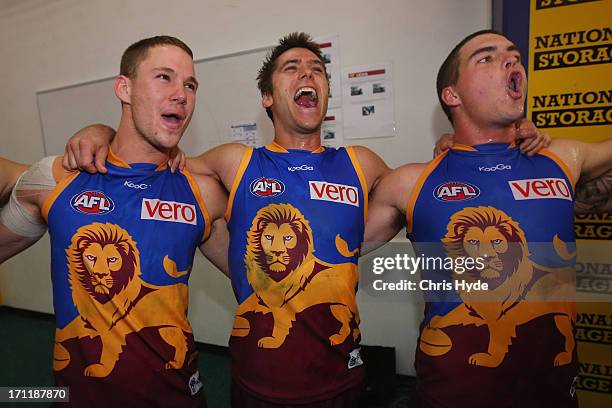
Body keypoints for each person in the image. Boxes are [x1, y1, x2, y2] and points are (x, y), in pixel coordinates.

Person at [363, 29, 612, 407]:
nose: (511, 60)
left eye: (514, 55)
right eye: (487, 57)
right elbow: (334, 249)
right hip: (450, 395)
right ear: (453, 95)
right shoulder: (411, 183)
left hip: (554, 394)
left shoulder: (563, 159)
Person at [0, 35, 228, 407]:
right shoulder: (58, 179)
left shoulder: (201, 193)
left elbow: (260, 279)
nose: (181, 94)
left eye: (190, 84)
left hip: (178, 397)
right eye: (164, 77)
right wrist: (98, 130)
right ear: (124, 88)